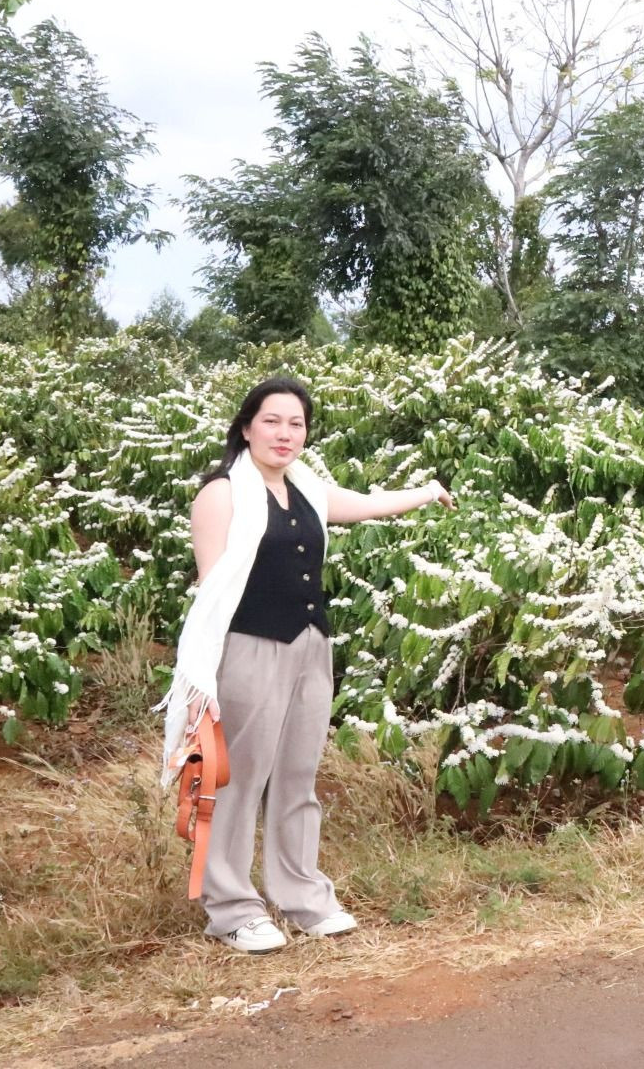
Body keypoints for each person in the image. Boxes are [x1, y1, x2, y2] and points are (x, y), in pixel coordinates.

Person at [156, 376, 454, 954]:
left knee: (297, 778)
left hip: (311, 645)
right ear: (247, 427)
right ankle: (233, 909)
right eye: (272, 421)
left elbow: (363, 507)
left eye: (296, 423)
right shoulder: (222, 492)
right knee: (239, 782)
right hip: (248, 648)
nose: (284, 434)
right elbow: (211, 591)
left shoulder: (307, 488)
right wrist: (202, 680)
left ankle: (302, 897)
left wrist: (427, 491)